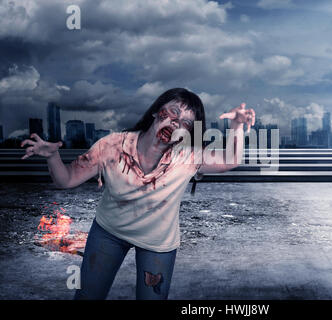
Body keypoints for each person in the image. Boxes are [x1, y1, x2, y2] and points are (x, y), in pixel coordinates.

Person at [20, 88, 256, 300]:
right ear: (156, 111)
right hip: (108, 232)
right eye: (172, 112)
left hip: (158, 242)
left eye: (185, 123)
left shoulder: (188, 155)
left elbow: (231, 159)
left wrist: (236, 127)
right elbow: (67, 180)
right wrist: (53, 157)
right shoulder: (112, 146)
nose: (175, 123)